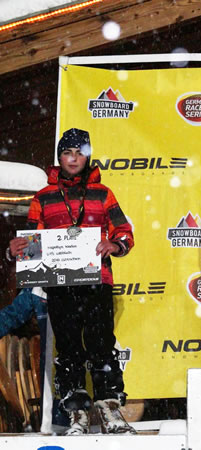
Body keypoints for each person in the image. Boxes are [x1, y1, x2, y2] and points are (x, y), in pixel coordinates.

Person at [6, 128, 136, 435]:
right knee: (68, 350)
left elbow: (124, 232)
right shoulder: (43, 197)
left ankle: (110, 409)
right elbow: (32, 243)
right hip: (60, 285)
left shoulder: (103, 193)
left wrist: (115, 245)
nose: (74, 159)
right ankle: (76, 414)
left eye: (80, 153)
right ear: (60, 157)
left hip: (97, 281)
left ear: (88, 157)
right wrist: (15, 250)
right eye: (68, 153)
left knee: (101, 345)